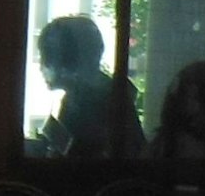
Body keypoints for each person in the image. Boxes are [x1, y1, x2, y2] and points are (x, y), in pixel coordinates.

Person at [30, 12, 144, 161]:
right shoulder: (100, 93)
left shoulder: (92, 100)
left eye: (47, 56)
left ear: (67, 59)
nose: (41, 66)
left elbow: (82, 161)